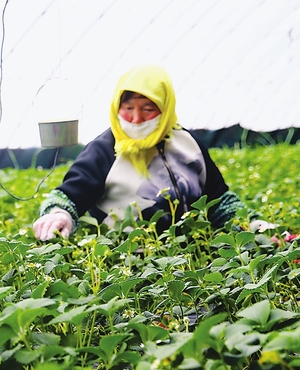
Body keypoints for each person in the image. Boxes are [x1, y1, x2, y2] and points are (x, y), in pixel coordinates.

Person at [33, 64, 273, 241]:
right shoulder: (104, 150)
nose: (136, 119)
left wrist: (255, 225)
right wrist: (58, 214)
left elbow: (219, 200)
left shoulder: (188, 144)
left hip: (189, 258)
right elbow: (68, 196)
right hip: (122, 263)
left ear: (165, 107)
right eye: (128, 108)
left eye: (148, 109)